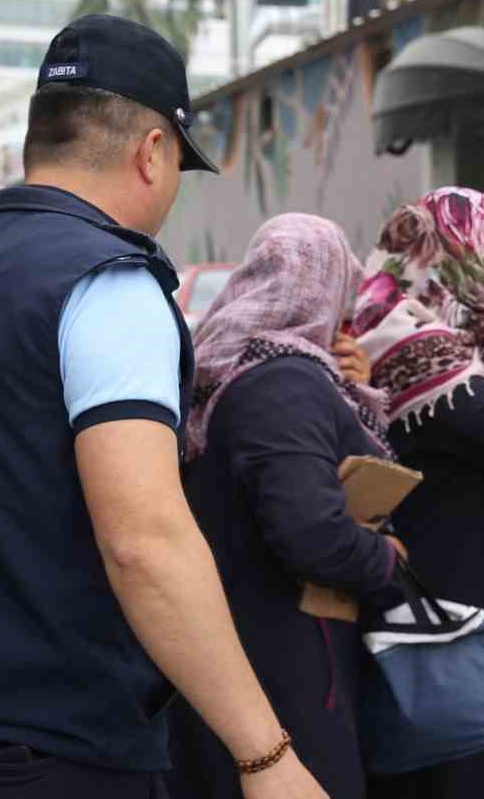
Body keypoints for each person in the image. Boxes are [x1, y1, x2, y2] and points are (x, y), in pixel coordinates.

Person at [0, 14, 327, 799]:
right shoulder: (106, 284)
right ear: (152, 152)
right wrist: (265, 756)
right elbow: (144, 540)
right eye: (180, 162)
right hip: (56, 753)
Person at [166, 213, 406, 799]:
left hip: (242, 642)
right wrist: (387, 561)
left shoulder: (235, 365)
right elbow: (311, 533)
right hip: (285, 663)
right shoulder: (284, 382)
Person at [352, 187, 484, 799]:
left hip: (462, 601)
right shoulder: (421, 357)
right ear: (458, 259)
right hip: (459, 620)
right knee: (480, 766)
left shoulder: (418, 343)